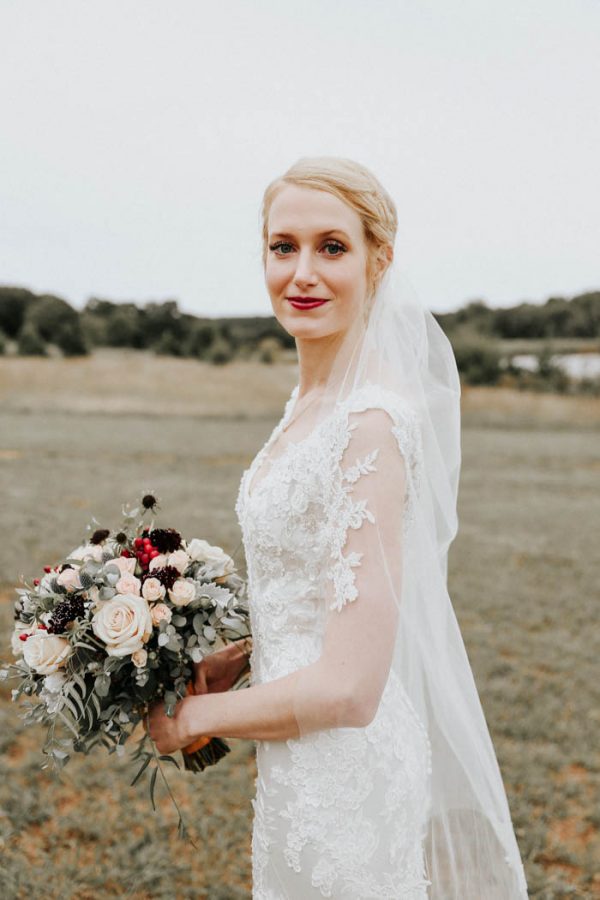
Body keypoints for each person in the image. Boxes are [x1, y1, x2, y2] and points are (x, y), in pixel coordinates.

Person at [147, 156, 528, 898]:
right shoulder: (311, 403)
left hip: (346, 772)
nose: (302, 273)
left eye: (332, 247)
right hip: (298, 758)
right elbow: (334, 591)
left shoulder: (370, 424)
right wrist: (246, 652)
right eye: (283, 247)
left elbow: (352, 688)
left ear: (378, 262)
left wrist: (188, 716)